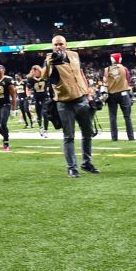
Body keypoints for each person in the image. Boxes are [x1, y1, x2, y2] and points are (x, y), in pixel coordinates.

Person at [42, 36, 99, 178]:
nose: (58, 46)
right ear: (52, 46)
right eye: (55, 44)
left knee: (87, 133)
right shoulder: (50, 60)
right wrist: (48, 64)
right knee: (69, 136)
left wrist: (88, 93)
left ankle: (87, 163)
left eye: (61, 44)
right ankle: (71, 167)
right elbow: (44, 77)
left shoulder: (75, 55)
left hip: (81, 99)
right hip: (64, 103)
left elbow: (80, 73)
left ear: (66, 45)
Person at [103, 53, 135, 142]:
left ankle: (114, 137)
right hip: (123, 93)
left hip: (112, 95)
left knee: (112, 117)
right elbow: (128, 80)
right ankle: (131, 136)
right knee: (127, 116)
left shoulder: (107, 69)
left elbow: (105, 82)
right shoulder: (124, 68)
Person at [27, 65, 50, 138]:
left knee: (45, 114)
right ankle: (41, 127)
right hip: (37, 98)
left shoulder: (44, 77)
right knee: (39, 115)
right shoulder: (31, 79)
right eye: (34, 71)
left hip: (45, 98)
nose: (35, 72)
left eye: (36, 71)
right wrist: (29, 95)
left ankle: (46, 130)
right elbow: (28, 88)